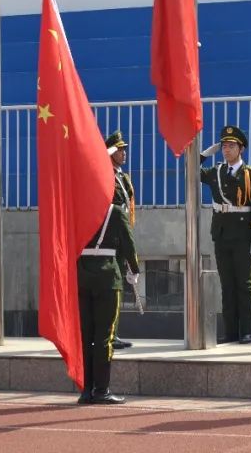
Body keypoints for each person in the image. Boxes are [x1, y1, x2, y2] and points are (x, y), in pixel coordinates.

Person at [200, 125, 251, 344]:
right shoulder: (216, 172)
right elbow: (191, 172)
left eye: (231, 146)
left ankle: (246, 330)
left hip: (243, 235)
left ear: (241, 149)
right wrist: (202, 155)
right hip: (221, 233)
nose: (226, 150)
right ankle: (230, 331)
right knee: (227, 284)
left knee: (244, 285)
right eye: (224, 146)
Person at [76, 201, 140, 405]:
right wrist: (135, 269)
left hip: (82, 276)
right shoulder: (115, 212)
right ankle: (101, 390)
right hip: (108, 278)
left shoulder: (79, 209)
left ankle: (86, 390)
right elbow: (128, 244)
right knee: (105, 337)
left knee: (85, 336)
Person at [105, 130, 136, 350]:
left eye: (124, 149)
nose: (123, 153)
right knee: (112, 287)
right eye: (119, 150)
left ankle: (114, 331)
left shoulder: (122, 177)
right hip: (111, 235)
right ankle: (110, 334)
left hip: (122, 231)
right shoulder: (104, 174)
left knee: (119, 287)